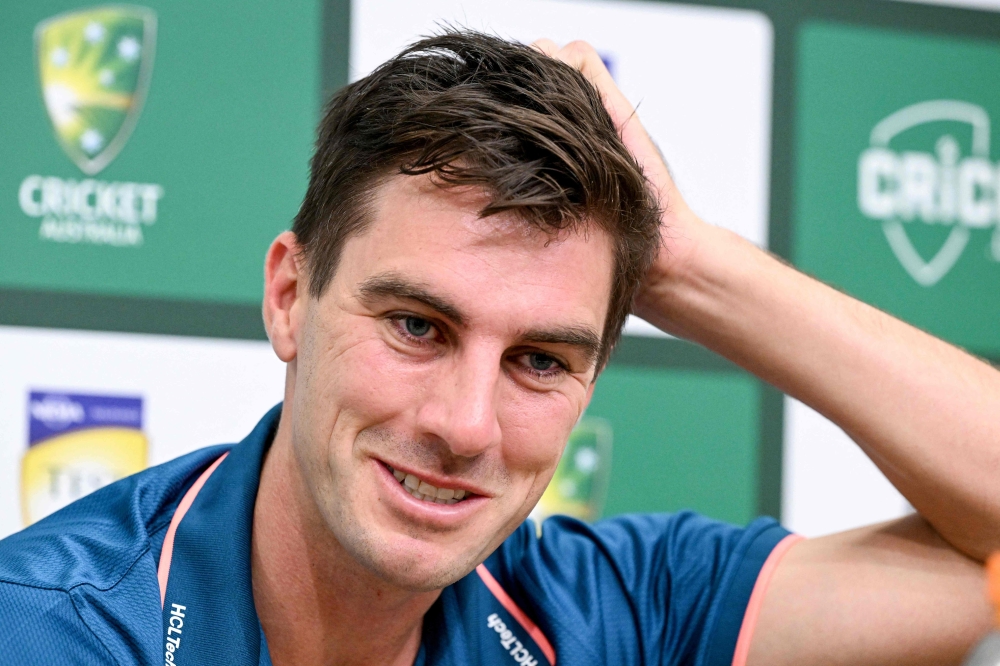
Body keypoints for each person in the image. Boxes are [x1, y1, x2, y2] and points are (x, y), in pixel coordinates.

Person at [1, 30, 997, 666]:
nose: (467, 425)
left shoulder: (602, 614)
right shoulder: (51, 631)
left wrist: (684, 264)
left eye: (540, 360)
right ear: (291, 297)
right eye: (416, 326)